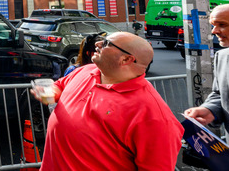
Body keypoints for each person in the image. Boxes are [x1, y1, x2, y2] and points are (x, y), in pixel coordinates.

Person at [32, 32, 183, 170]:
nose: (97, 44)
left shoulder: (154, 116)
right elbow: (60, 85)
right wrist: (50, 92)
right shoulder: (86, 70)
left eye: (106, 43)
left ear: (126, 59)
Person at [184, 3, 229, 149]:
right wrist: (209, 110)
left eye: (222, 24)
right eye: (213, 25)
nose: (214, 31)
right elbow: (220, 94)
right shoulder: (223, 56)